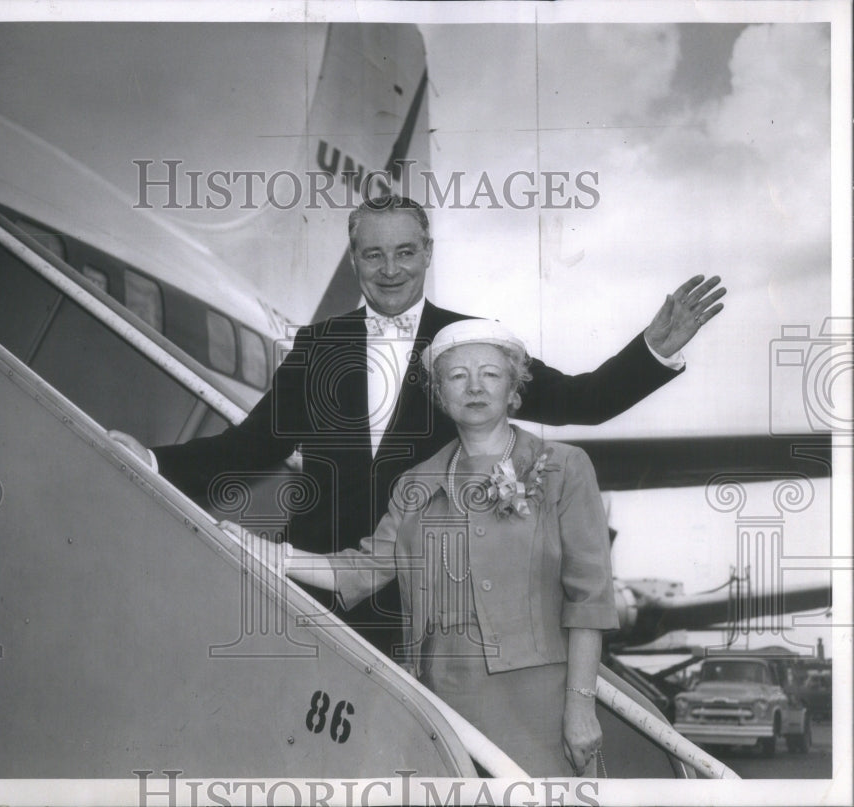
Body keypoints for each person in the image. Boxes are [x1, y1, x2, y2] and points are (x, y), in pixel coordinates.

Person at [111, 195, 725, 656]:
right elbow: (249, 447)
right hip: (322, 587)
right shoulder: (320, 343)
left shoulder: (470, 342)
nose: (390, 269)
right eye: (373, 254)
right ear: (354, 260)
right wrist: (156, 460)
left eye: (405, 252)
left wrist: (651, 351)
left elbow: (579, 400)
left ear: (427, 254)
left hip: (437, 597)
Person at [229, 319, 617, 776]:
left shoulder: (565, 468)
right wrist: (272, 554)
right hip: (440, 705)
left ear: (514, 390)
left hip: (539, 707)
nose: (474, 386)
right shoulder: (413, 484)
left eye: (490, 374)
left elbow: (589, 599)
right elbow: (365, 569)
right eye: (457, 376)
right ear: (440, 395)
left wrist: (580, 705)